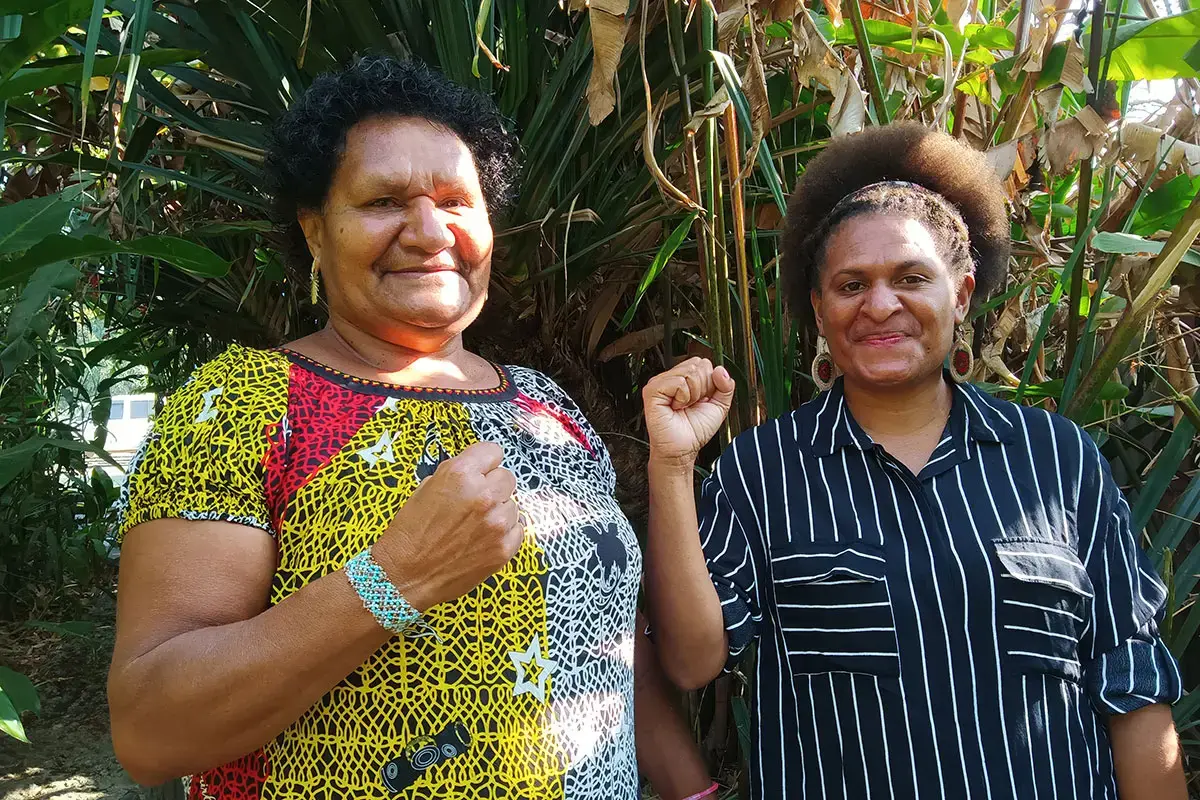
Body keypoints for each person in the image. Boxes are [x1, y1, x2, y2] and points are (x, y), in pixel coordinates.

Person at [107, 55, 714, 800]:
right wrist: (395, 579)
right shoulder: (245, 404)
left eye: (457, 201)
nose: (430, 232)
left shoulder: (545, 407)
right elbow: (150, 732)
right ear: (316, 232)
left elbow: (617, 661)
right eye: (383, 201)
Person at [641, 122, 1186, 799]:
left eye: (911, 277)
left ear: (960, 293)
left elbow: (1131, 683)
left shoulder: (1057, 459)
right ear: (818, 308)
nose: (880, 305)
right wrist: (670, 464)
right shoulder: (762, 472)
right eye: (850, 285)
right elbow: (692, 663)